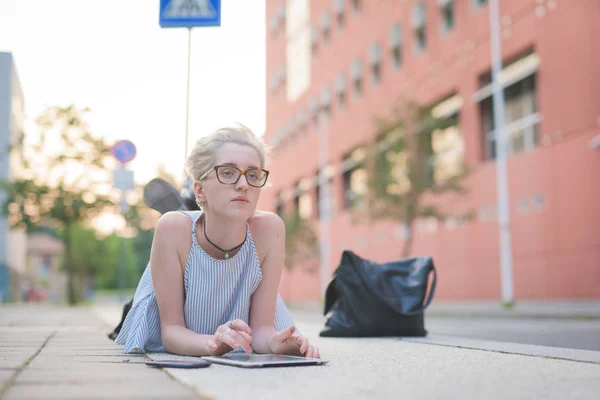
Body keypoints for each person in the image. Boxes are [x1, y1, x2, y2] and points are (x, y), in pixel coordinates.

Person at [115, 124, 320, 359]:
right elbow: (171, 332)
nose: (243, 184)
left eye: (252, 175)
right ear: (200, 189)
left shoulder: (270, 229)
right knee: (177, 231)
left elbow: (262, 330)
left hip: (237, 325)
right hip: (178, 332)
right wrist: (213, 344)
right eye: (228, 172)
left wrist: (275, 344)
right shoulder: (170, 227)